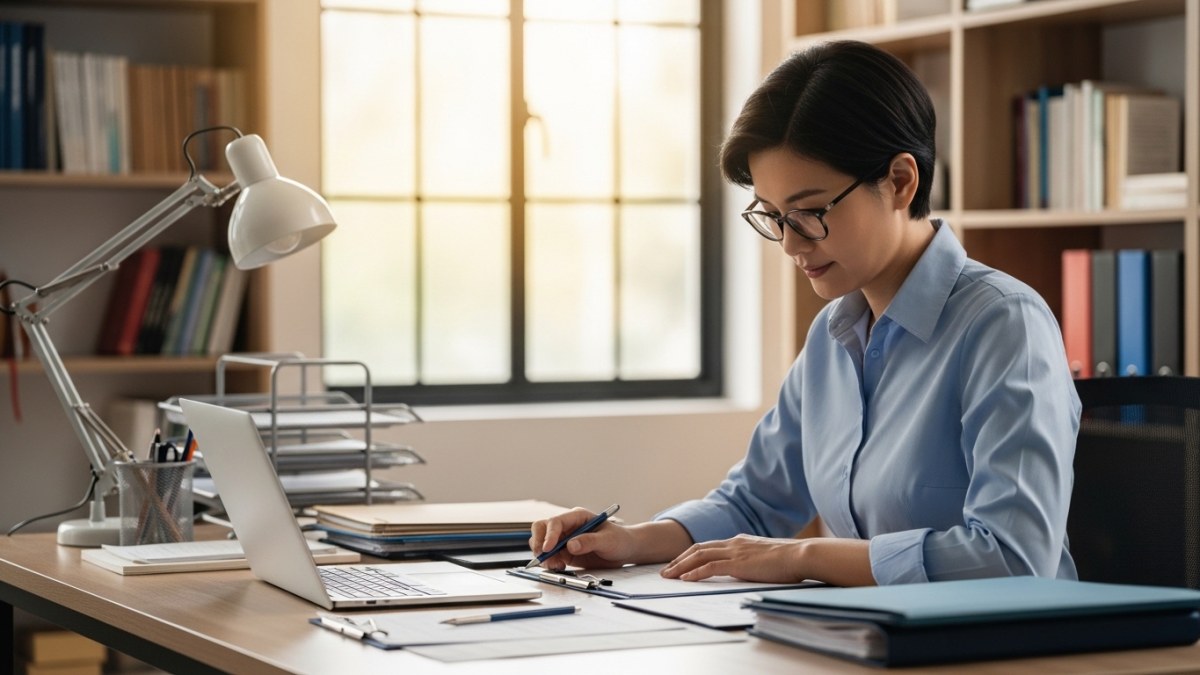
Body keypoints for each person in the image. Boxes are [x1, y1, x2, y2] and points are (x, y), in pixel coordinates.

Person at [529, 40, 1081, 587]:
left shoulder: (1004, 324)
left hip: (998, 637)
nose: (791, 244)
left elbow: (1014, 557)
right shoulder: (833, 334)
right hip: (866, 629)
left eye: (811, 212)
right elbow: (753, 503)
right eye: (772, 215)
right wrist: (630, 541)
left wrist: (802, 557)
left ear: (900, 182)